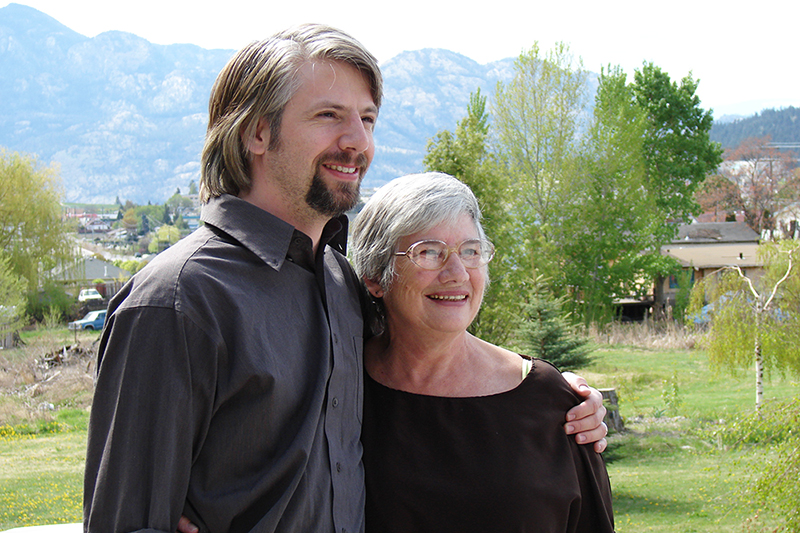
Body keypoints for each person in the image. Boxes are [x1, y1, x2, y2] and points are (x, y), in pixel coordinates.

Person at [84, 24, 607, 533]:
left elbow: (428, 347)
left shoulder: (339, 282)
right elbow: (124, 520)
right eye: (329, 115)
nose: (357, 141)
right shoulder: (177, 302)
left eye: (368, 119)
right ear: (256, 131)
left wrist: (554, 397)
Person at [350, 172, 615, 532]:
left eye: (471, 251)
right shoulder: (342, 389)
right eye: (429, 252)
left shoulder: (549, 400)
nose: (457, 272)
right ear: (375, 277)